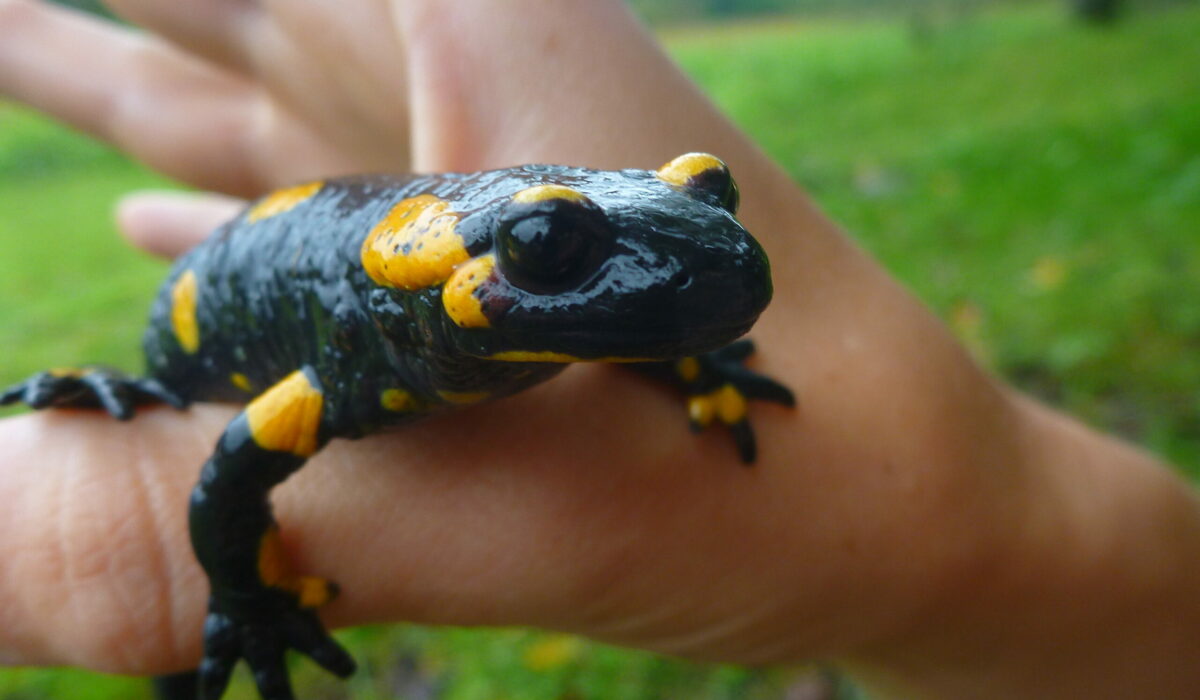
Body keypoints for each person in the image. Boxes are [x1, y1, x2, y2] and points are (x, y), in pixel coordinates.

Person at [0, 0, 1197, 697]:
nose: (703, 253)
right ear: (455, 283)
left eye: (709, 198)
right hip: (214, 324)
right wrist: (241, 591)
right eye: (548, 247)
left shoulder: (505, 309)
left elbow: (640, 288)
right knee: (159, 392)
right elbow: (228, 476)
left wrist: (692, 357)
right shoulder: (363, 367)